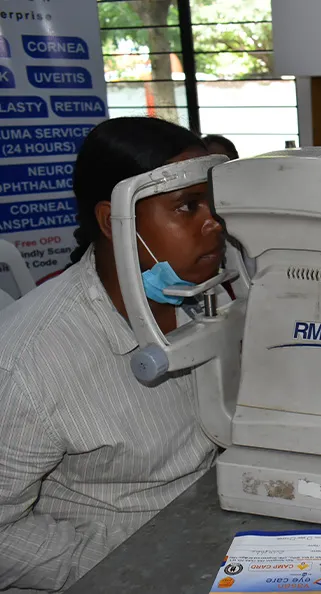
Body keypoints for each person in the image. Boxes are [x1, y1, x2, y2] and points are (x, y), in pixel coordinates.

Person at [0, 117, 226, 591]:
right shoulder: (31, 361)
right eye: (187, 206)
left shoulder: (211, 297)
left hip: (211, 531)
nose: (214, 223)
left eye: (214, 203)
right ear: (113, 222)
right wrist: (131, 560)